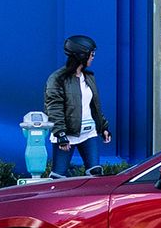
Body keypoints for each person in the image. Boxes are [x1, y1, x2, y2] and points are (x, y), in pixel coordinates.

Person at [43, 34, 110, 177]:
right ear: (82, 55)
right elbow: (54, 108)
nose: (93, 57)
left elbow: (94, 106)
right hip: (68, 133)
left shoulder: (89, 77)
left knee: (95, 173)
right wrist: (60, 133)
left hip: (88, 132)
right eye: (91, 54)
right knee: (58, 176)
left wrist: (103, 127)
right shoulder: (57, 79)